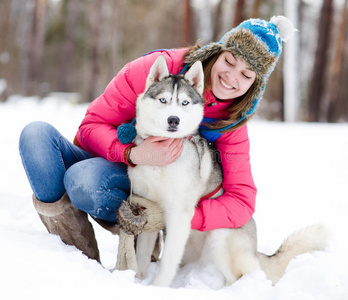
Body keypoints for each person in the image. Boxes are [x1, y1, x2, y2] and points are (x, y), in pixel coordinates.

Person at [19, 16, 295, 262]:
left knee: (83, 179)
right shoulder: (158, 69)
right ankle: (75, 255)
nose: (231, 77)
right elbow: (92, 126)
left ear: (254, 86)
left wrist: (179, 217)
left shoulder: (232, 122)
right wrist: (132, 153)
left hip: (139, 183)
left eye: (246, 74)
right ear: (217, 51)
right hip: (107, 151)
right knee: (35, 136)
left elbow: (242, 200)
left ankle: (143, 237)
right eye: (229, 61)